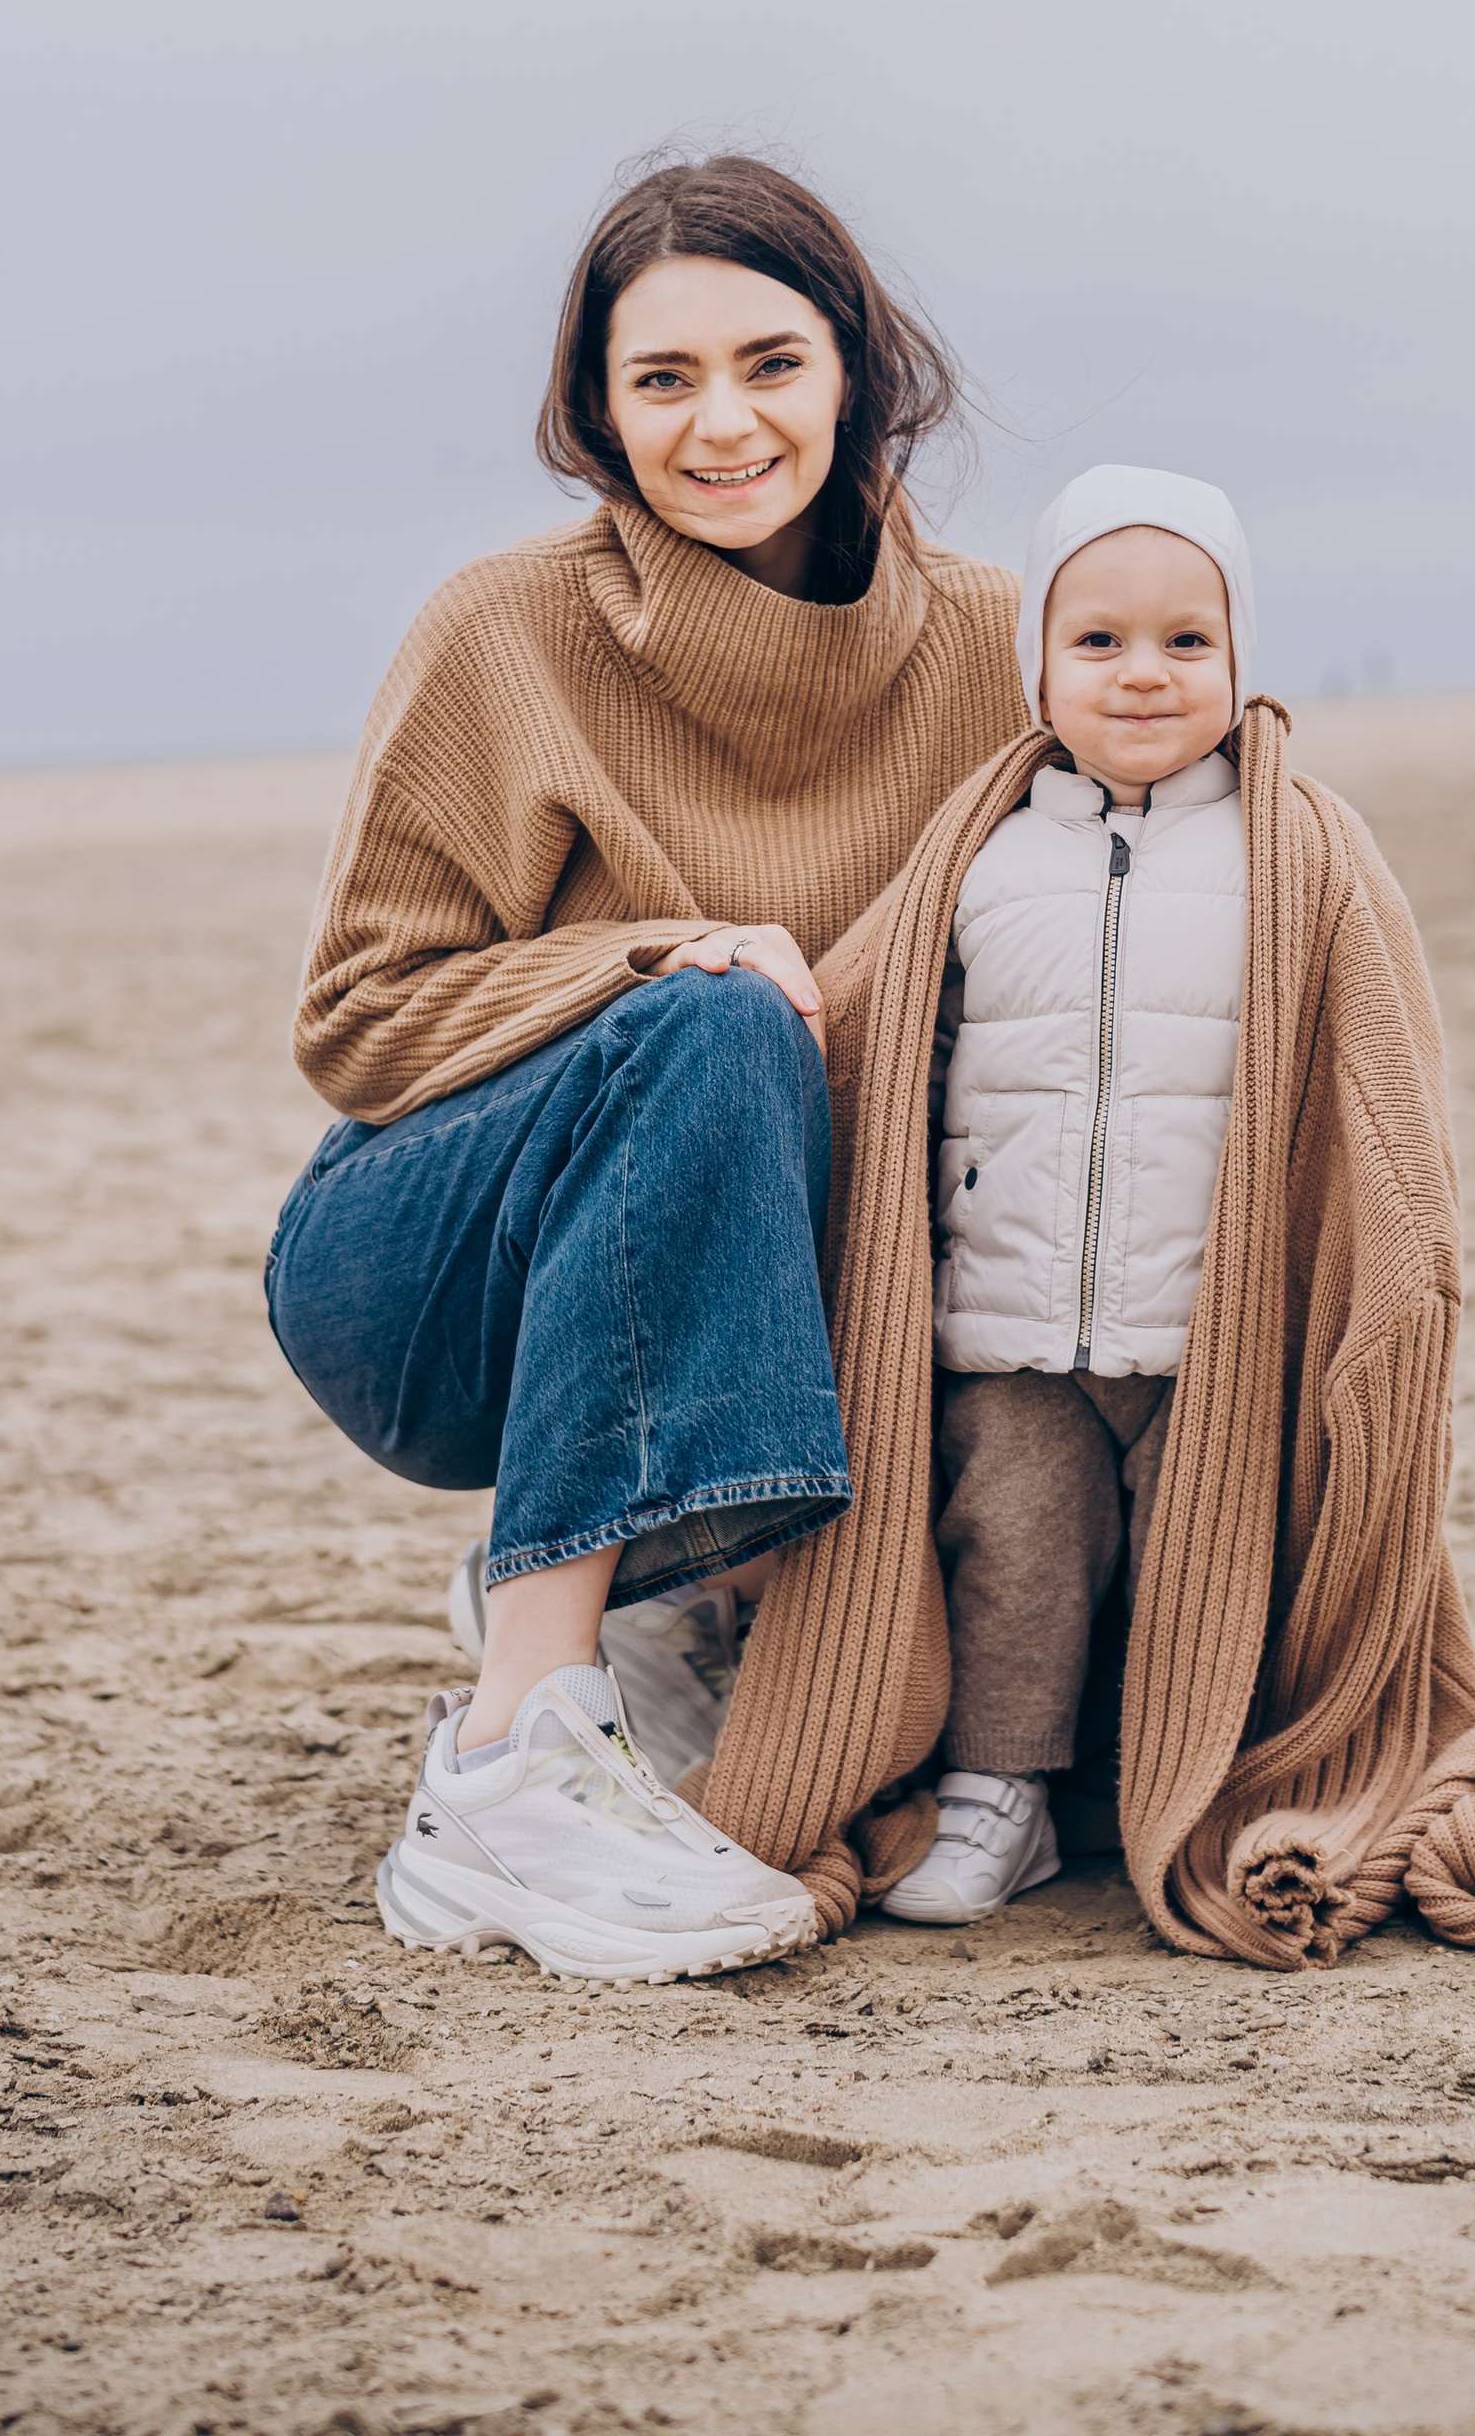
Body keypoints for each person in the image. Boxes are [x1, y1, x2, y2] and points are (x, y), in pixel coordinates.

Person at [265, 155, 1025, 1984]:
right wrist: (651, 955)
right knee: (714, 1018)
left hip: (790, 1289)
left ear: (857, 367)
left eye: (769, 361)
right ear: (596, 416)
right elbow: (361, 1016)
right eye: (661, 379)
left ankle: (667, 1570)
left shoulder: (1006, 645)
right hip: (433, 1272)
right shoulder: (504, 629)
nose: (723, 422)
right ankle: (510, 1752)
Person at [878, 464, 1254, 1926]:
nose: (1143, 674)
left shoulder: (1283, 855)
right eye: (1096, 641)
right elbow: (905, 1042)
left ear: (1240, 658)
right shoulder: (983, 860)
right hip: (1014, 1315)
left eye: (1186, 641)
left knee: (1202, 1568)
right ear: (1036, 660)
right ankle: (1003, 1792)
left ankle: (1194, 1782)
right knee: (1014, 1554)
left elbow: (1363, 1088)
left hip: (1204, 1323)